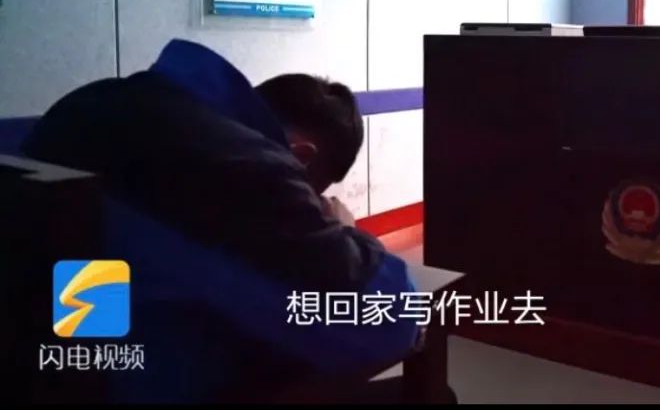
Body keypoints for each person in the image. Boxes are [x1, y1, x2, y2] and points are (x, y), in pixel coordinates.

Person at [20, 39, 437, 403]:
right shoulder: (244, 170)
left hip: (58, 360)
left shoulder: (90, 104)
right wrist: (345, 230)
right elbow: (391, 320)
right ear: (302, 158)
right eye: (312, 192)